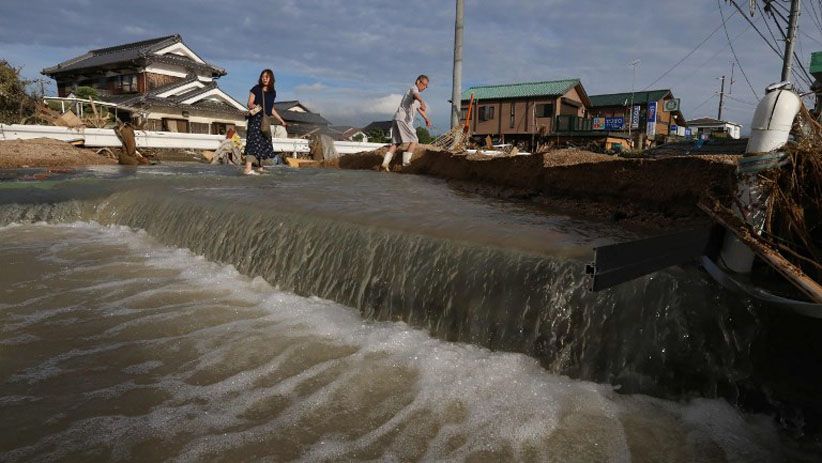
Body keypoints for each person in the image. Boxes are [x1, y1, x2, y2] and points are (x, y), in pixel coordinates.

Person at [381, 75, 431, 171]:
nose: (424, 87)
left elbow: (420, 109)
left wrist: (426, 119)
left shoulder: (415, 98)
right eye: (424, 84)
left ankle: (384, 164)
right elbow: (416, 95)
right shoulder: (413, 89)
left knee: (395, 143)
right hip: (403, 119)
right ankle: (406, 163)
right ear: (417, 81)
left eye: (426, 86)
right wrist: (422, 101)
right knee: (414, 139)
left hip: (397, 119)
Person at [243, 69, 287, 175]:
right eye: (263, 77)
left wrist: (281, 120)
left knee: (264, 143)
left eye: (267, 77)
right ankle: (247, 169)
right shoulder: (256, 88)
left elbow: (271, 108)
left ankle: (260, 167)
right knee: (253, 142)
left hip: (265, 120)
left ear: (271, 78)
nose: (264, 78)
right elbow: (249, 104)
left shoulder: (272, 93)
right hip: (255, 120)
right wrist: (258, 107)